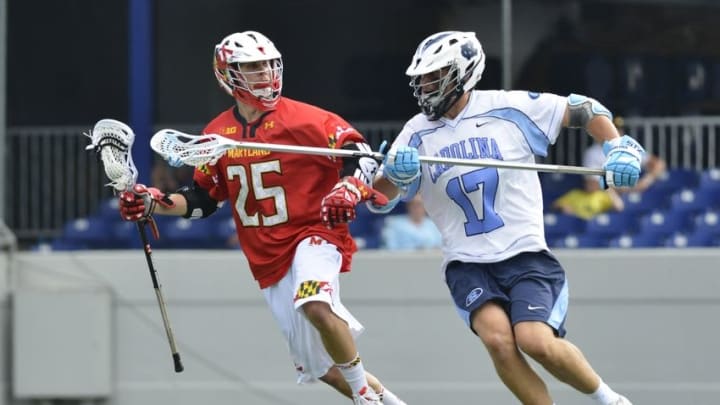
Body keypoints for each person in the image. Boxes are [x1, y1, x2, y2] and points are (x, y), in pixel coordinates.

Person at [118, 31, 406, 405]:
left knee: (314, 302)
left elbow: (360, 155)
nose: (265, 74)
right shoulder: (217, 134)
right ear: (228, 74)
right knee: (321, 368)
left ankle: (364, 395)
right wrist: (153, 204)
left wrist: (348, 187)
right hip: (268, 258)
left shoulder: (308, 119)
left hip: (315, 232)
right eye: (253, 67)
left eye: (269, 64)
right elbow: (204, 199)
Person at [366, 31, 640, 405]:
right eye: (423, 78)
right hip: (467, 262)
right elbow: (378, 199)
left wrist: (617, 146)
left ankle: (608, 399)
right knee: (497, 339)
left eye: (436, 76)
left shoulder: (507, 107)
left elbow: (583, 109)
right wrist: (394, 176)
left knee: (535, 341)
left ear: (463, 73)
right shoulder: (415, 132)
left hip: (524, 253)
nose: (426, 86)